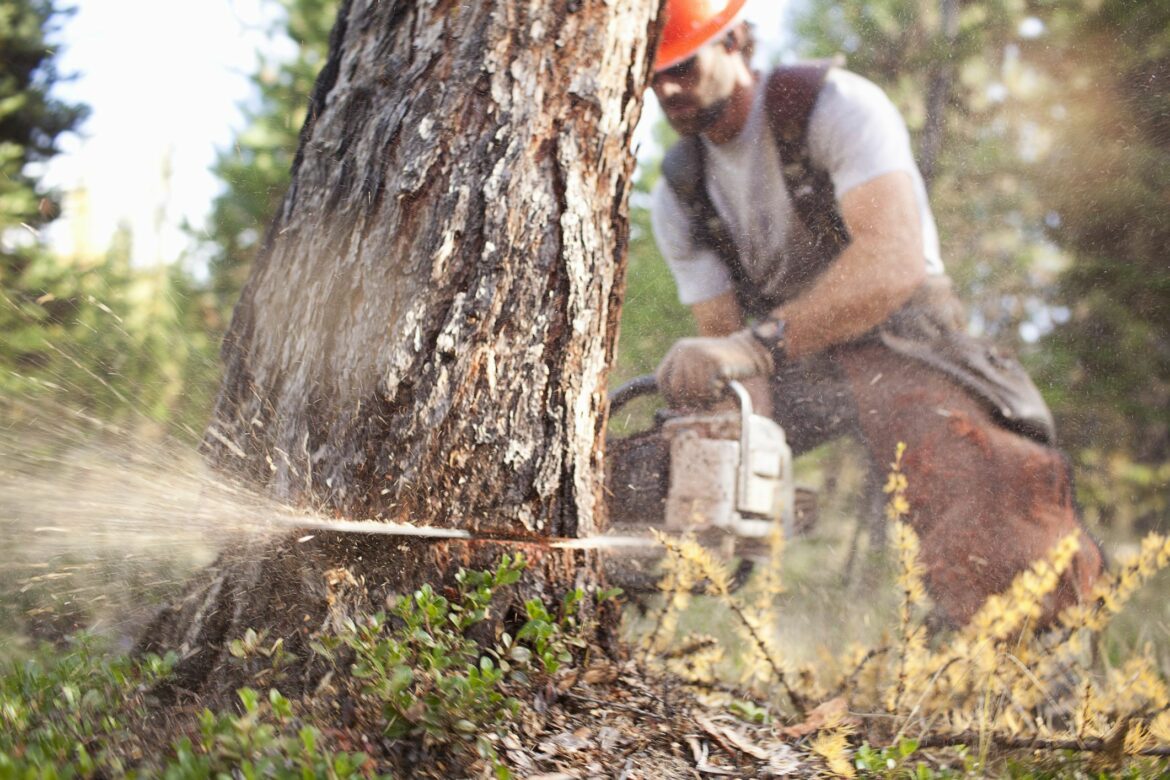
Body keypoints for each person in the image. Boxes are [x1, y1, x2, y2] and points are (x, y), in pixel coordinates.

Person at [646, 0, 1101, 626]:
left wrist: (754, 348)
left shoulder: (835, 106)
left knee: (974, 471)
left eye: (681, 66)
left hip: (905, 336)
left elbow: (893, 261)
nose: (667, 87)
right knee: (670, 455)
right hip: (793, 359)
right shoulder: (678, 194)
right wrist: (736, 456)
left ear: (735, 42)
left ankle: (1030, 651)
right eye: (652, 73)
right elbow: (727, 348)